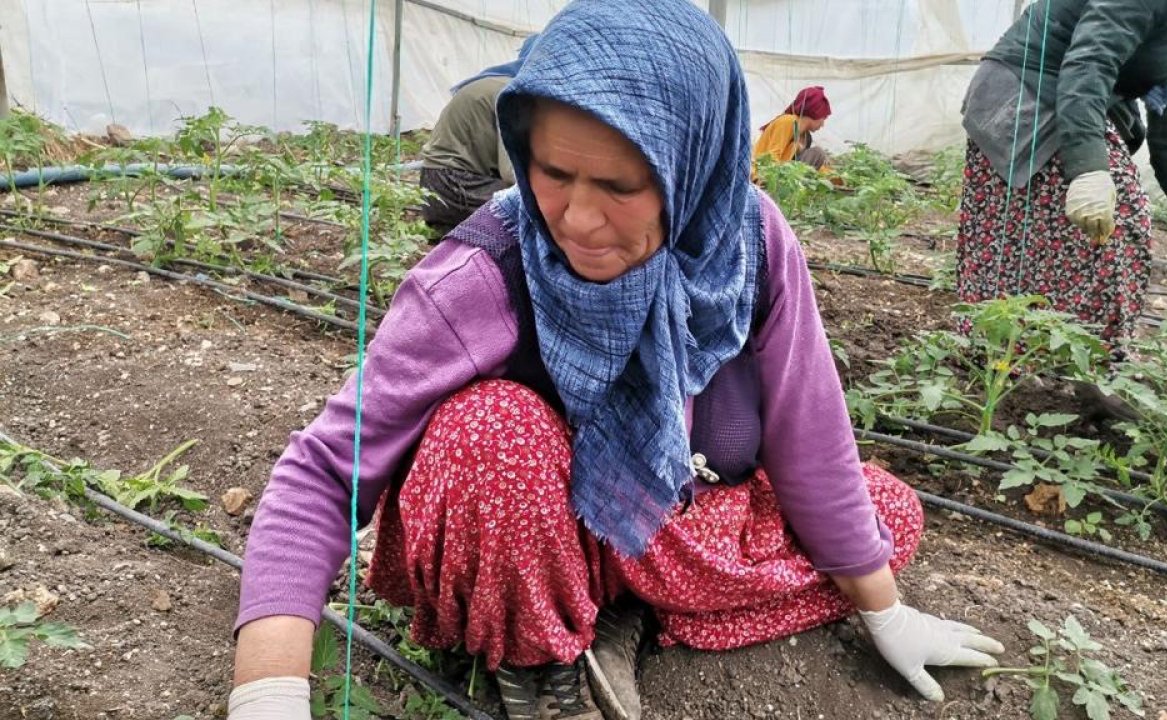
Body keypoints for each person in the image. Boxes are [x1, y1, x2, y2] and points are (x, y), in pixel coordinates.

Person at [227, 2, 1003, 719]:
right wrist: (268, 687)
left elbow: (812, 437)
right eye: (553, 173)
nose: (579, 218)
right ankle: (537, 657)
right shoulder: (485, 272)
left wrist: (884, 609)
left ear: (693, 168)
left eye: (621, 185)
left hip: (660, 525)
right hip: (521, 537)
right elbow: (327, 470)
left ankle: (626, 620)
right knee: (490, 432)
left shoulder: (750, 246)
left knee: (888, 513)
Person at [956, 0, 1167, 354]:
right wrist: (1089, 169)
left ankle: (1079, 359)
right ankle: (1024, 355)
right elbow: (1090, 62)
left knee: (1079, 235)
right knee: (1107, 223)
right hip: (1026, 91)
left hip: (1085, 96)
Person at [418, 34, 539, 228]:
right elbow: (511, 172)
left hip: (435, 186)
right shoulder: (514, 93)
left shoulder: (495, 82)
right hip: (454, 186)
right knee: (536, 206)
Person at [752, 86, 835, 175]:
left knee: (819, 157)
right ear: (815, 112)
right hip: (765, 174)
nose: (823, 124)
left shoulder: (806, 136)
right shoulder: (788, 122)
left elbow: (811, 164)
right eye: (823, 118)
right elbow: (772, 156)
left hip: (783, 174)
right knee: (818, 153)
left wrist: (833, 176)